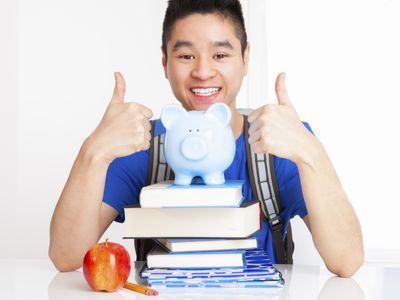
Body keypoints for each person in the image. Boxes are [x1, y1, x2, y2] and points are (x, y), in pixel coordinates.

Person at [49, 0, 364, 277]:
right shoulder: (141, 145)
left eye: (220, 54)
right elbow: (66, 257)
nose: (202, 71)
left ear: (245, 58)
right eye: (186, 56)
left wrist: (311, 154)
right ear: (164, 62)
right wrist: (93, 152)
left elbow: (346, 262)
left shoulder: (281, 142)